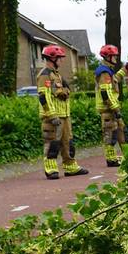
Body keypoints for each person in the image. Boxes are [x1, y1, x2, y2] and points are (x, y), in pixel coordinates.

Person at [36, 45, 88, 180]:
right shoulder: (45, 75)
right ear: (52, 58)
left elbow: (66, 91)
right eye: (60, 58)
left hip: (64, 115)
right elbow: (44, 97)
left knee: (68, 142)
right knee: (52, 143)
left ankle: (70, 166)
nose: (62, 60)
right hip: (53, 117)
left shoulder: (57, 75)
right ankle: (51, 168)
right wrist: (52, 115)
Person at [94, 44, 128, 167]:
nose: (116, 58)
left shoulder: (109, 71)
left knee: (122, 131)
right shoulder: (104, 72)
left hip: (112, 108)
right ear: (108, 57)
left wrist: (124, 70)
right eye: (114, 56)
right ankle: (111, 159)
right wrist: (116, 109)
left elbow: (115, 81)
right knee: (110, 134)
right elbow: (106, 93)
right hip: (108, 109)